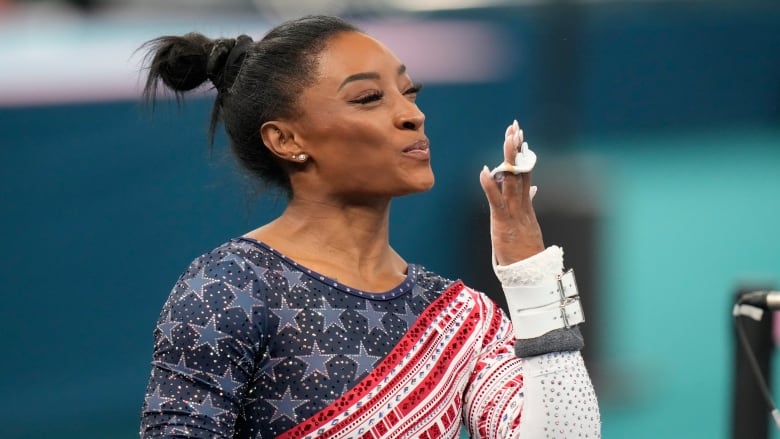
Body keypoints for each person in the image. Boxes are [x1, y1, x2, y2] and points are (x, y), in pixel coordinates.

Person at [139, 15, 601, 438]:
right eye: (368, 98)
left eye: (410, 92)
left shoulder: (460, 319)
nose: (412, 115)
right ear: (286, 139)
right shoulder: (230, 286)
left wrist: (530, 274)